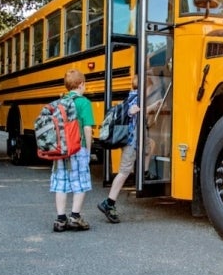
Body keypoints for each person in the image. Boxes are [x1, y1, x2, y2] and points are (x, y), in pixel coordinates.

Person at [98, 74, 161, 224]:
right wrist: (149, 108)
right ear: (145, 88)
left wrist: (151, 107)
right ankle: (109, 203)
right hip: (131, 142)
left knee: (149, 145)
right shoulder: (136, 98)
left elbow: (139, 111)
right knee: (124, 172)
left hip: (136, 139)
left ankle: (144, 172)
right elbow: (134, 111)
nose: (150, 91)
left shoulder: (132, 95)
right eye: (150, 88)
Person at [51, 69, 95, 232]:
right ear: (81, 84)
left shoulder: (60, 101)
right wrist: (88, 150)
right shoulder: (84, 102)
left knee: (61, 182)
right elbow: (87, 128)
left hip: (60, 148)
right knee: (80, 182)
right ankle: (75, 217)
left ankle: (60, 219)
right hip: (78, 147)